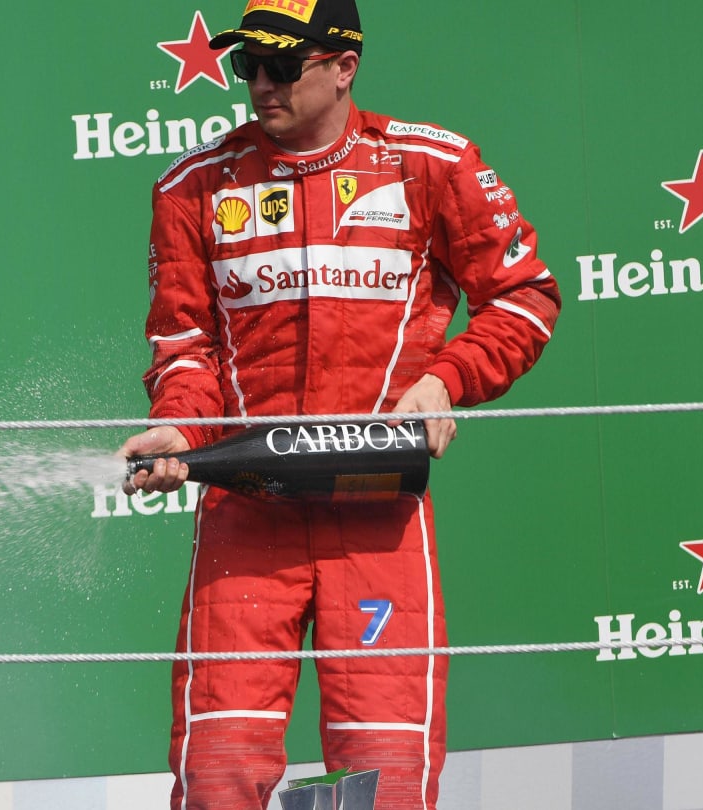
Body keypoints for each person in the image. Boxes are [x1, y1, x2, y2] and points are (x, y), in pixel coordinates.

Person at [119, 1, 562, 808]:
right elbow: (185, 347)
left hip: (376, 514)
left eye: (282, 66)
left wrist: (448, 378)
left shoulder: (431, 163)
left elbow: (525, 299)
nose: (259, 83)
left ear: (343, 67)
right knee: (219, 765)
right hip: (246, 511)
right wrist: (179, 426)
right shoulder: (193, 185)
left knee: (382, 773)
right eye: (246, 64)